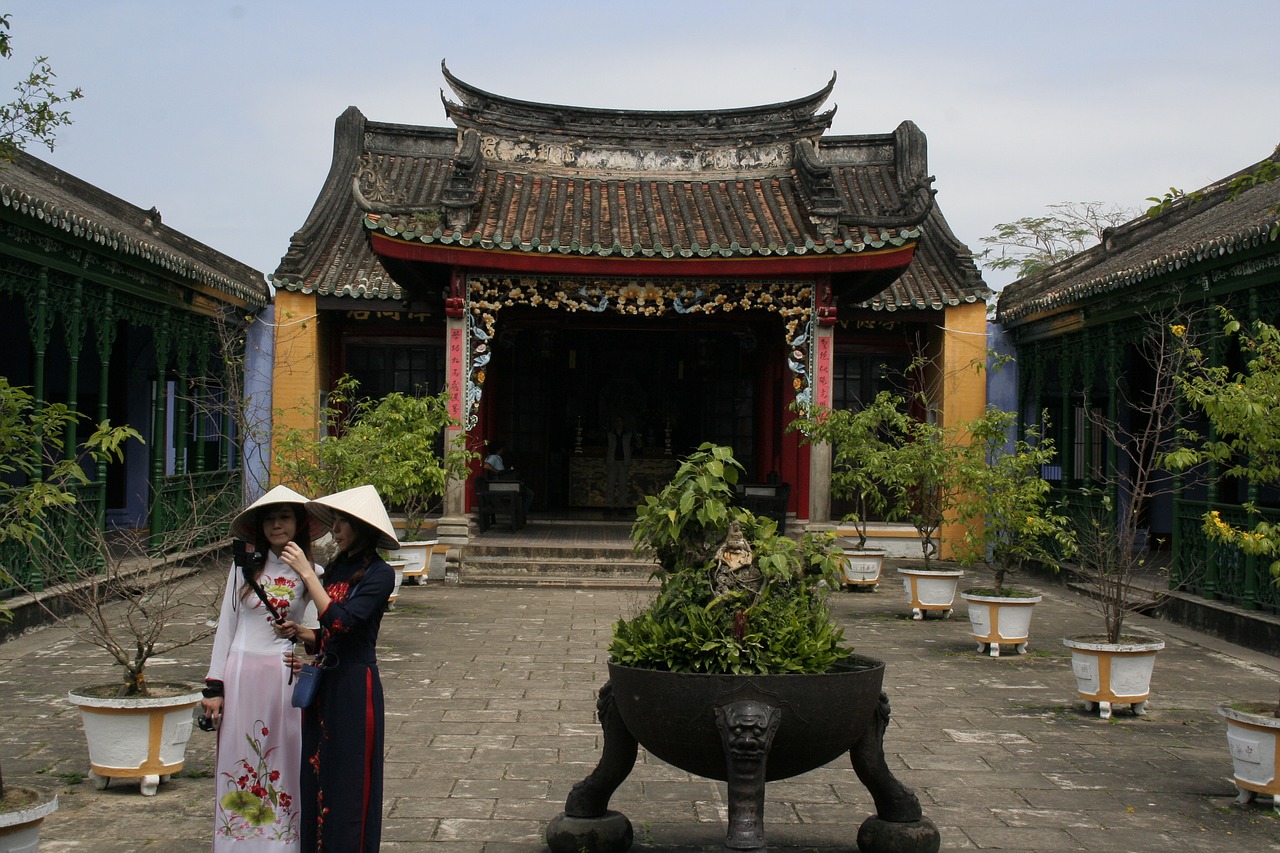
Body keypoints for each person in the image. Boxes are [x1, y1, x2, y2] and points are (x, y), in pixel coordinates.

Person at [277, 485, 397, 853]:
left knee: (349, 779)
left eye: (344, 523)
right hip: (326, 682)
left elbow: (346, 624)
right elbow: (330, 633)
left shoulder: (380, 574)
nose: (337, 530)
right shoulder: (337, 569)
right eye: (336, 522)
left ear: (363, 527)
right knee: (317, 773)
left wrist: (307, 575)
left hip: (354, 687)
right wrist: (305, 635)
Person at [203, 485, 320, 851]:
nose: (276, 525)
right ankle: (238, 841)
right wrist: (214, 687)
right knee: (240, 755)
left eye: (284, 517)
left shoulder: (313, 572)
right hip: (241, 674)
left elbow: (320, 634)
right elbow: (227, 626)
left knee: (284, 756)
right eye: (269, 518)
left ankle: (281, 842)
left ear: (298, 524)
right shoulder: (243, 570)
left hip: (283, 677)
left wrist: (302, 636)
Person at [482, 440, 534, 516]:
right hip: (500, 484)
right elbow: (486, 466)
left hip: (501, 482)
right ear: (498, 450)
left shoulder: (494, 457)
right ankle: (522, 514)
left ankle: (521, 513)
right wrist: (497, 471)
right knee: (529, 493)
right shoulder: (493, 457)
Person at [604, 416, 633, 516]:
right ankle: (609, 506)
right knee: (610, 484)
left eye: (620, 421)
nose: (618, 423)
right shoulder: (610, 435)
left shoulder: (628, 435)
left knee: (623, 485)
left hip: (623, 462)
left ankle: (622, 506)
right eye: (617, 421)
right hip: (613, 462)